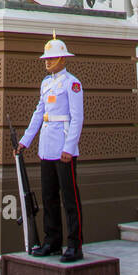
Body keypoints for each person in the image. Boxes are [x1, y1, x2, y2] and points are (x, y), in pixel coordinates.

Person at [16, 36, 84, 262]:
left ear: (63, 60)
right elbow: (39, 113)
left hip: (64, 148)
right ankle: (52, 241)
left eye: (52, 58)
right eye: (46, 58)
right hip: (47, 147)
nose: (47, 62)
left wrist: (70, 147)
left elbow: (77, 118)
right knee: (49, 197)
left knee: (70, 199)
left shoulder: (71, 83)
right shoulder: (46, 83)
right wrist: (25, 141)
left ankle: (74, 245)